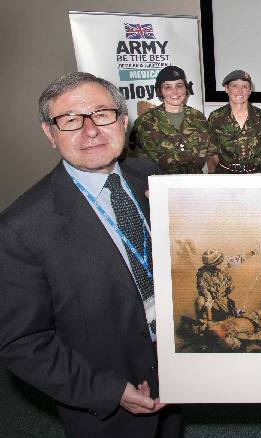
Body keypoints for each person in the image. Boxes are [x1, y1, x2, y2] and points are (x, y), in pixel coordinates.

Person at [0, 72, 181, 437]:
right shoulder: (21, 228)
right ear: (50, 134)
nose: (91, 130)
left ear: (124, 121)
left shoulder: (147, 175)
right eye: (70, 120)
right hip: (106, 391)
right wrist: (109, 390)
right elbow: (22, 342)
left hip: (174, 363)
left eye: (102, 114)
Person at [129, 65, 212, 174]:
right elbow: (134, 161)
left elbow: (209, 153)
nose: (175, 92)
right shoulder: (145, 122)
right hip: (160, 185)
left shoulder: (198, 118)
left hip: (194, 184)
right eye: (168, 87)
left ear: (185, 88)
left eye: (179, 86)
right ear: (160, 91)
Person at [207, 70, 261, 173]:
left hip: (256, 177)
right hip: (226, 177)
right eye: (235, 86)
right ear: (227, 89)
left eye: (245, 87)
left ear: (250, 91)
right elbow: (211, 153)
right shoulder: (216, 117)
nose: (240, 91)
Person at [195, 248, 256, 322]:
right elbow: (207, 297)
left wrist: (253, 252)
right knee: (200, 301)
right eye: (219, 264)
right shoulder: (202, 275)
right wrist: (209, 320)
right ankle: (202, 324)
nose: (223, 264)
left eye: (222, 261)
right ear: (212, 267)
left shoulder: (225, 261)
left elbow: (240, 258)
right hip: (212, 298)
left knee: (233, 316)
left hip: (224, 297)